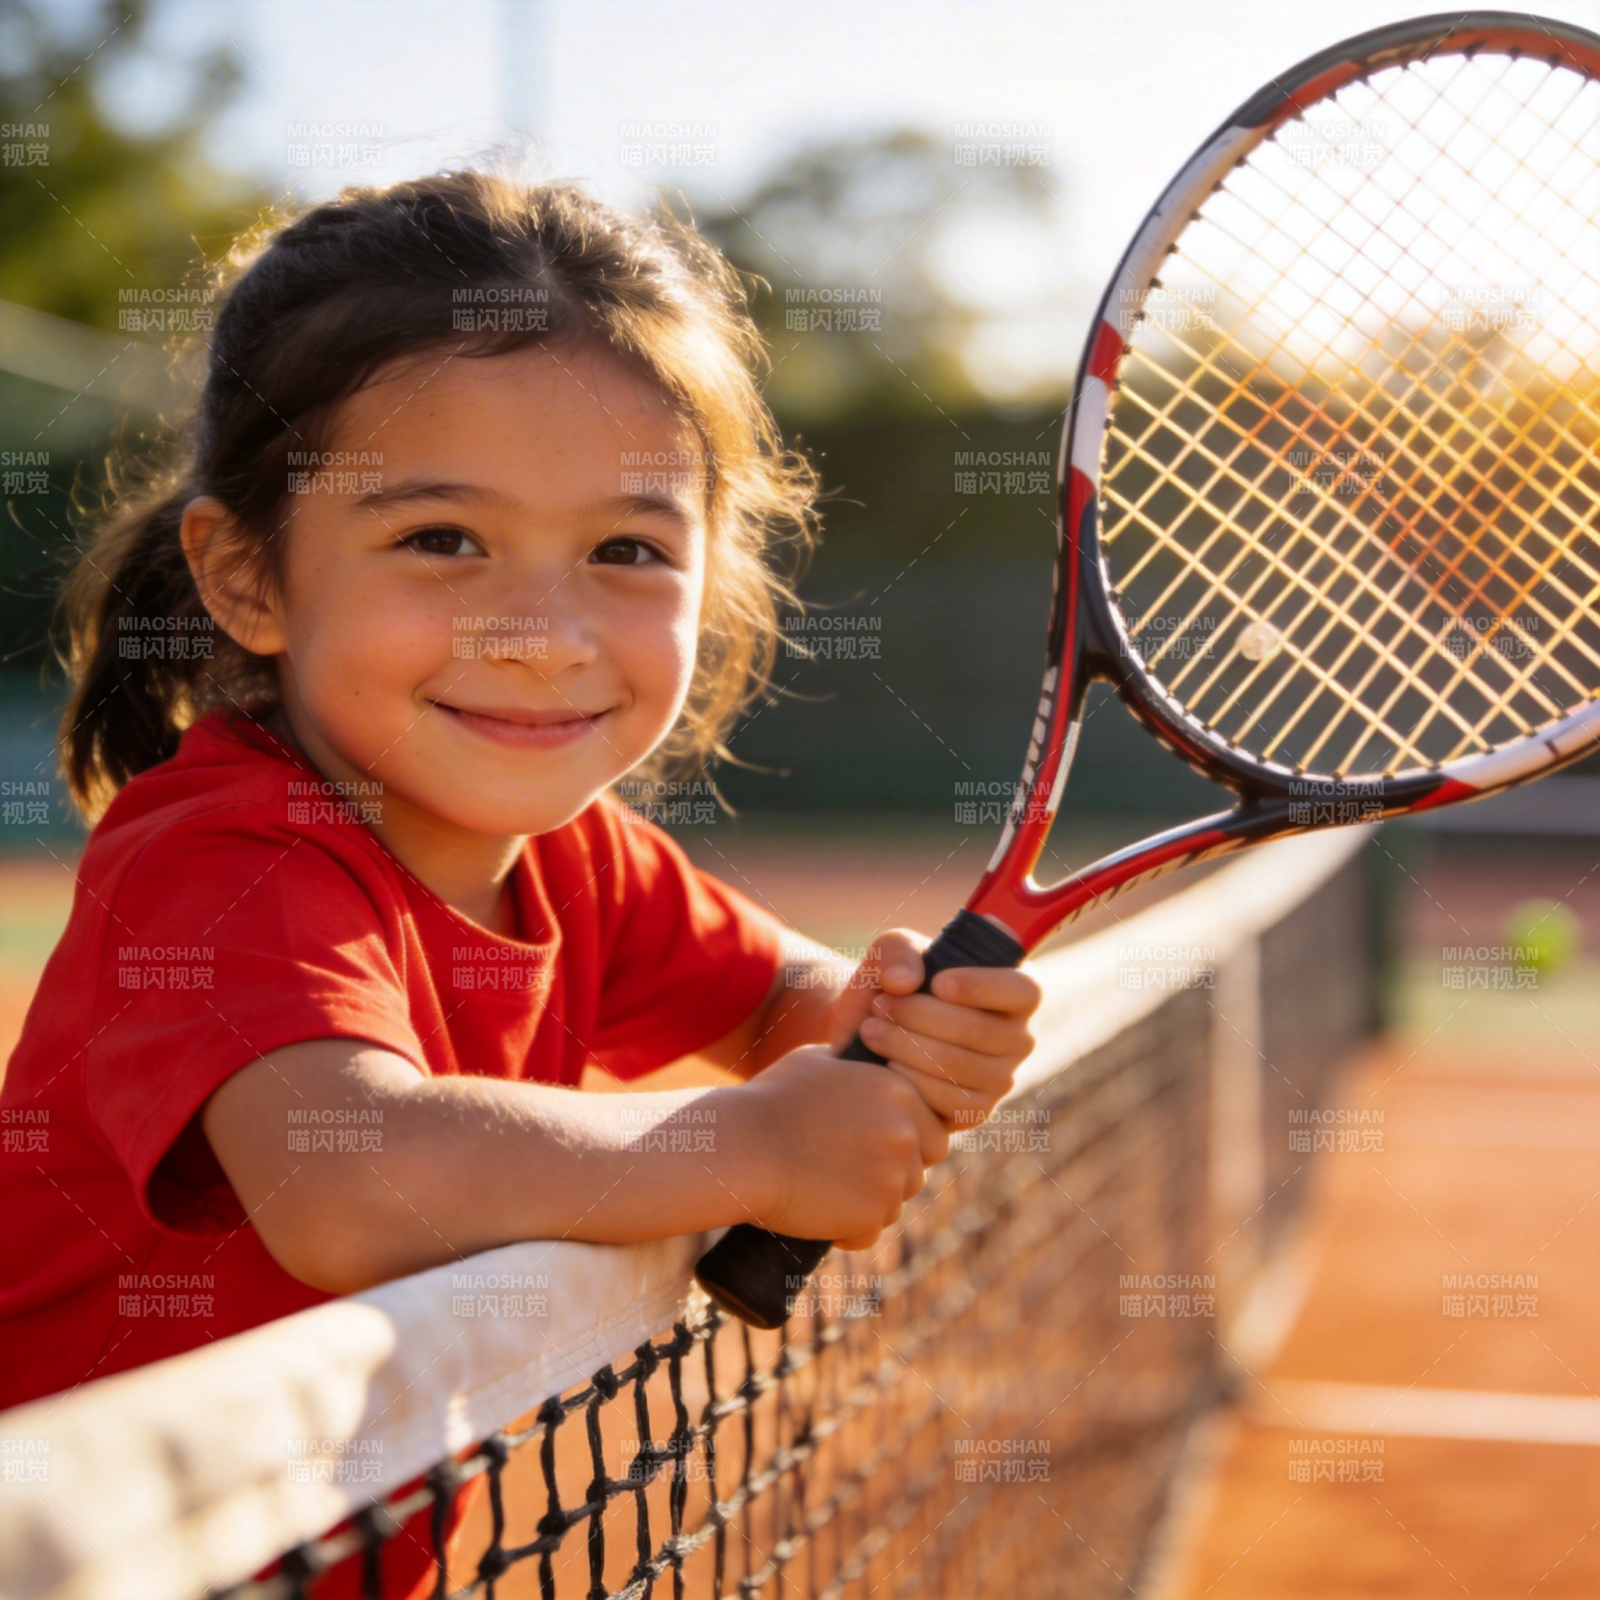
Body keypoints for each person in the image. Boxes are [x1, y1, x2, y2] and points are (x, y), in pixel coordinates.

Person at [0, 167, 1042, 1593]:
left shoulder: (582, 859)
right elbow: (345, 1175)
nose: (544, 632)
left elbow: (787, 1002)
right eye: (441, 540)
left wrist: (884, 1029)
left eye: (625, 550)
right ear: (248, 578)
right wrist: (752, 1147)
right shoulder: (219, 862)